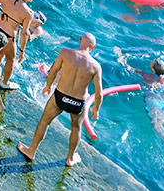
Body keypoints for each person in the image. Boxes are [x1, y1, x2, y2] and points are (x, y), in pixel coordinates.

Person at [19, 34, 104, 167]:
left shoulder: (65, 52)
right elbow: (99, 93)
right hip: (78, 102)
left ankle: (31, 151)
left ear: (80, 41)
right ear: (93, 47)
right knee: (76, 129)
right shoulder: (96, 66)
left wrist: (48, 86)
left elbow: (53, 71)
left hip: (60, 96)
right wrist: (96, 109)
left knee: (45, 121)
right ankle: (70, 158)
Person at [115, 48, 164, 165]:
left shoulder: (146, 76)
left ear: (153, 70)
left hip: (153, 101)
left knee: (156, 123)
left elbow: (127, 67)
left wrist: (120, 55)